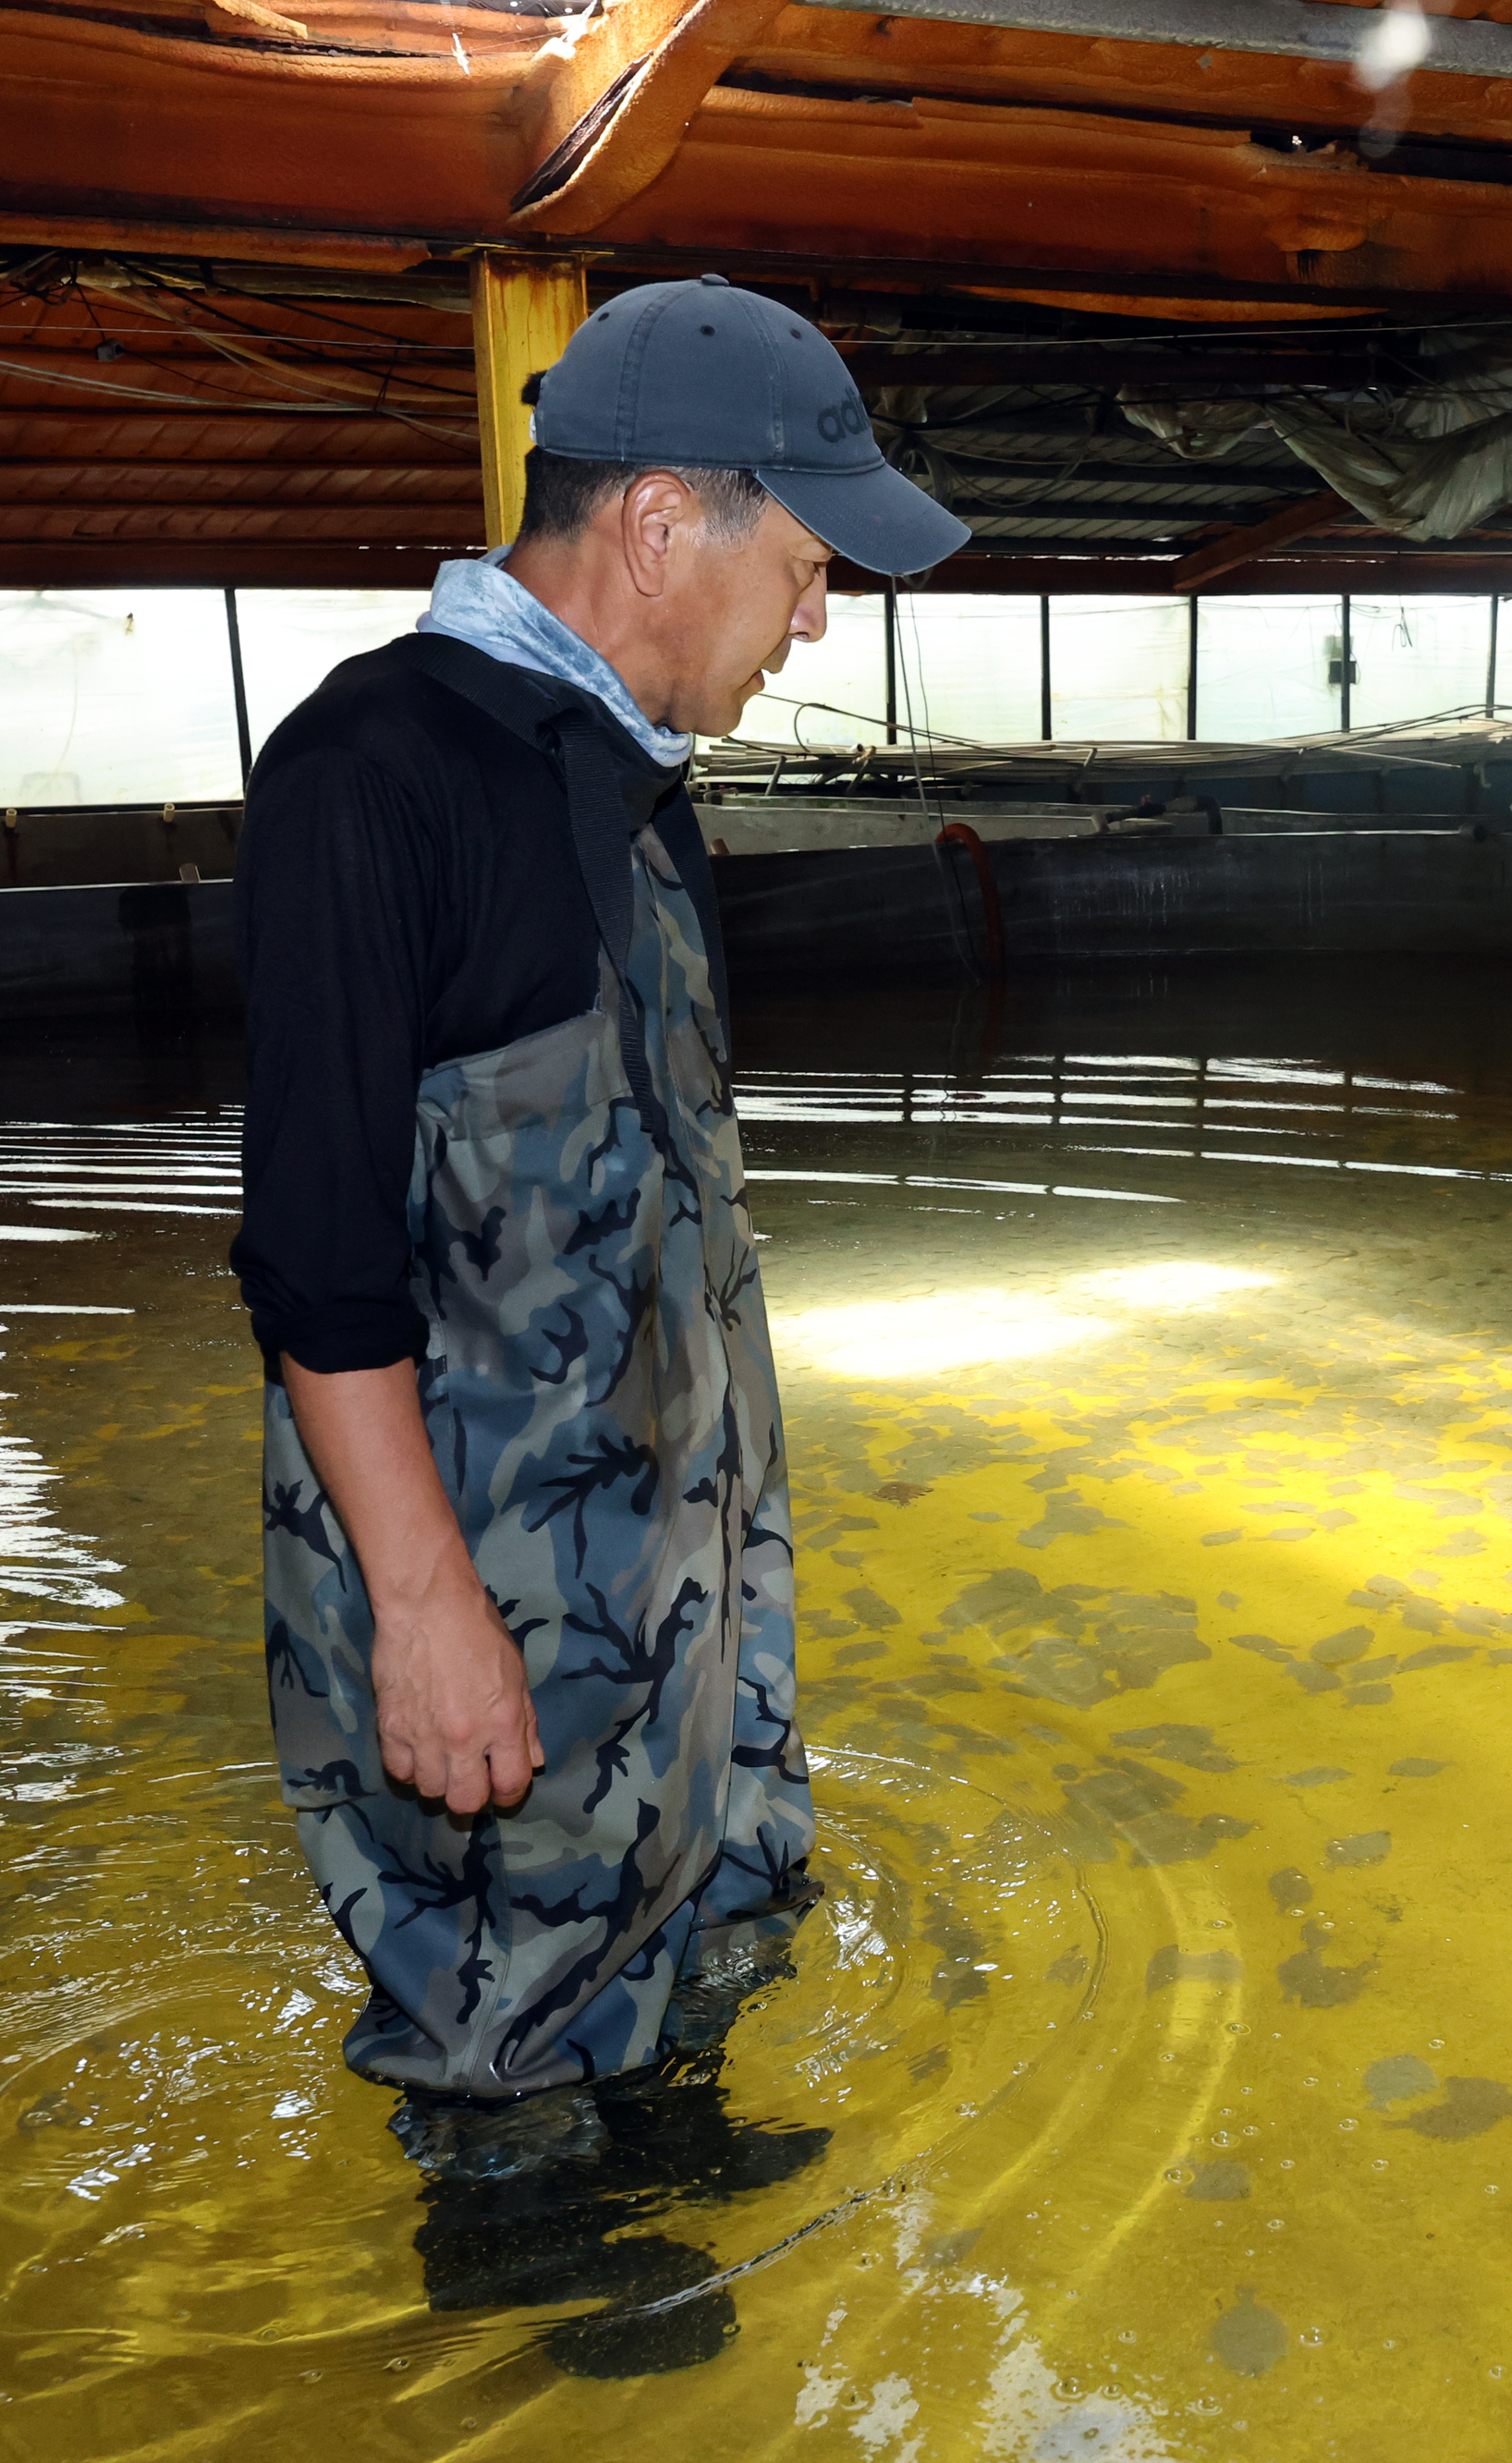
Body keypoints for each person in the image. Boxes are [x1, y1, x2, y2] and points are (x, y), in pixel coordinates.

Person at [230, 275, 969, 2120]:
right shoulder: (372, 773)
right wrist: (423, 1607)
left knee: (685, 1926)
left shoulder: (635, 786)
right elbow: (317, 1262)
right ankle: (517, 2325)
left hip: (665, 1552)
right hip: (494, 1567)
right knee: (508, 2028)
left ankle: (665, 2157)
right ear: (659, 524)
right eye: (804, 567)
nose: (814, 623)